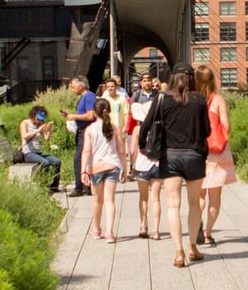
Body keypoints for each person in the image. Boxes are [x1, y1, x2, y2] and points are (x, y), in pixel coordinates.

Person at [141, 66, 210, 267]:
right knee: (194, 202)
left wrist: (142, 146)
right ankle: (193, 247)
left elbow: (146, 125)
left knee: (173, 204)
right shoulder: (199, 100)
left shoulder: (163, 99)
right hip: (194, 156)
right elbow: (207, 130)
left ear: (172, 78)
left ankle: (178, 252)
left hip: (170, 156)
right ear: (191, 79)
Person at [196, 64, 236, 246]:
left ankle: (195, 225)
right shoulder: (217, 99)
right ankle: (208, 233)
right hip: (216, 154)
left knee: (199, 195)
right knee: (215, 196)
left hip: (197, 151)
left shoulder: (192, 99)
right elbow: (226, 126)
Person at [80, 97, 125, 242]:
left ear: (94, 112)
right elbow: (122, 150)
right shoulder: (115, 128)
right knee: (110, 200)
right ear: (109, 111)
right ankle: (110, 232)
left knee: (97, 200)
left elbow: (86, 151)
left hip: (96, 167)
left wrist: (83, 170)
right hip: (113, 165)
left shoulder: (90, 129)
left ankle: (96, 229)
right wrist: (124, 167)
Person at [128, 72, 161, 238]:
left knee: (143, 197)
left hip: (141, 165)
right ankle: (155, 230)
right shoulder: (159, 127)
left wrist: (131, 166)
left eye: (149, 80)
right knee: (156, 198)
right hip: (157, 164)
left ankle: (143, 226)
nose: (147, 83)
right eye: (145, 80)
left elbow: (133, 150)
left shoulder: (137, 129)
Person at [15, 104, 62, 191]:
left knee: (57, 161)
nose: (40, 121)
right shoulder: (25, 123)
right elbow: (24, 136)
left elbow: (47, 139)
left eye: (41, 119)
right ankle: (43, 184)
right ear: (33, 115)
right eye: (38, 118)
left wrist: (50, 129)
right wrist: (37, 130)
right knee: (45, 162)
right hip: (28, 153)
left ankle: (54, 186)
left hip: (38, 152)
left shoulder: (40, 124)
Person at [66, 77, 97, 196]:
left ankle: (80, 187)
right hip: (81, 130)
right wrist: (71, 115)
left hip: (86, 130)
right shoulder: (83, 97)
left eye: (73, 87)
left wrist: (74, 117)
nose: (72, 90)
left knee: (79, 158)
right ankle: (86, 185)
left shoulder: (89, 96)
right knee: (83, 158)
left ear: (81, 85)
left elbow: (90, 116)